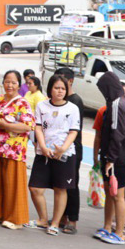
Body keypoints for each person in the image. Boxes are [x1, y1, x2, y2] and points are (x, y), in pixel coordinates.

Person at [26, 75, 80, 235]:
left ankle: (55, 224)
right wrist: (42, 146)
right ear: (50, 88)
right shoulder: (42, 106)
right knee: (35, 187)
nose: (60, 91)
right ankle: (43, 219)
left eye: (63, 88)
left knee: (60, 188)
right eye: (57, 88)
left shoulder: (72, 108)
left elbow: (74, 131)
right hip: (44, 153)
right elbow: (38, 128)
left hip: (65, 154)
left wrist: (62, 149)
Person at [0, 70, 35, 230]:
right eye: (7, 81)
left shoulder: (23, 103)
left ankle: (15, 218)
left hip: (14, 150)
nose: (9, 85)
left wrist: (6, 126)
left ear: (19, 85)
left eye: (13, 82)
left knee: (13, 184)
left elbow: (28, 125)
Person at [93, 72, 125, 245]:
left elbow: (117, 133)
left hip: (117, 157)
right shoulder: (116, 101)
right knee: (110, 193)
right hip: (114, 155)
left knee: (118, 194)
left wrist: (110, 158)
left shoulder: (118, 103)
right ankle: (107, 227)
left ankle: (118, 232)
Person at [53, 67, 84, 235]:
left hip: (72, 148)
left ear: (70, 81)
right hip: (59, 147)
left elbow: (74, 129)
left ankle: (72, 220)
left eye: (62, 82)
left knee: (72, 184)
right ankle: (62, 217)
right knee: (61, 184)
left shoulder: (75, 101)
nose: (59, 86)